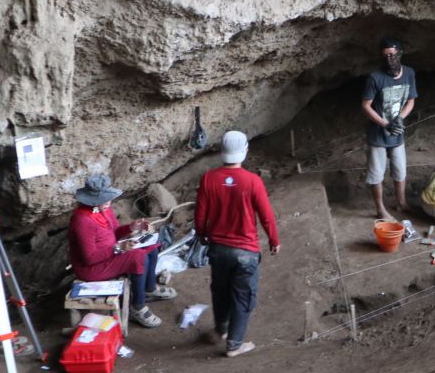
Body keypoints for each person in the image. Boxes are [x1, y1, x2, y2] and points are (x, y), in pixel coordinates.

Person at [195, 131, 280, 357]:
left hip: (218, 249)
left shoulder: (208, 178)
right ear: (244, 151)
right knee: (242, 294)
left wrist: (203, 234)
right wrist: (274, 239)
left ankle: (220, 329)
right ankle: (234, 344)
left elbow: (200, 213)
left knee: (220, 290)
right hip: (245, 251)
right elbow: (266, 215)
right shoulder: (252, 181)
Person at [68, 174, 176, 329]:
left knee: (152, 244)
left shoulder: (103, 210)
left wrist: (133, 227)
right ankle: (137, 307)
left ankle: (149, 289)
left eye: (108, 198)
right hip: (91, 268)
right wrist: (118, 248)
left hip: (109, 253)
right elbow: (89, 258)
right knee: (138, 257)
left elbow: (115, 232)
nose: (108, 202)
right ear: (92, 201)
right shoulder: (82, 221)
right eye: (104, 199)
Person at [362, 37, 418, 220]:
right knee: (376, 173)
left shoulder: (409, 73)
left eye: (393, 55)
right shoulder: (375, 78)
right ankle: (380, 209)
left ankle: (401, 203)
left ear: (400, 54)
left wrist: (400, 119)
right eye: (385, 56)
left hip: (397, 134)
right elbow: (366, 106)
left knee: (400, 169)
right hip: (378, 134)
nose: (389, 59)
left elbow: (411, 100)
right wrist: (385, 124)